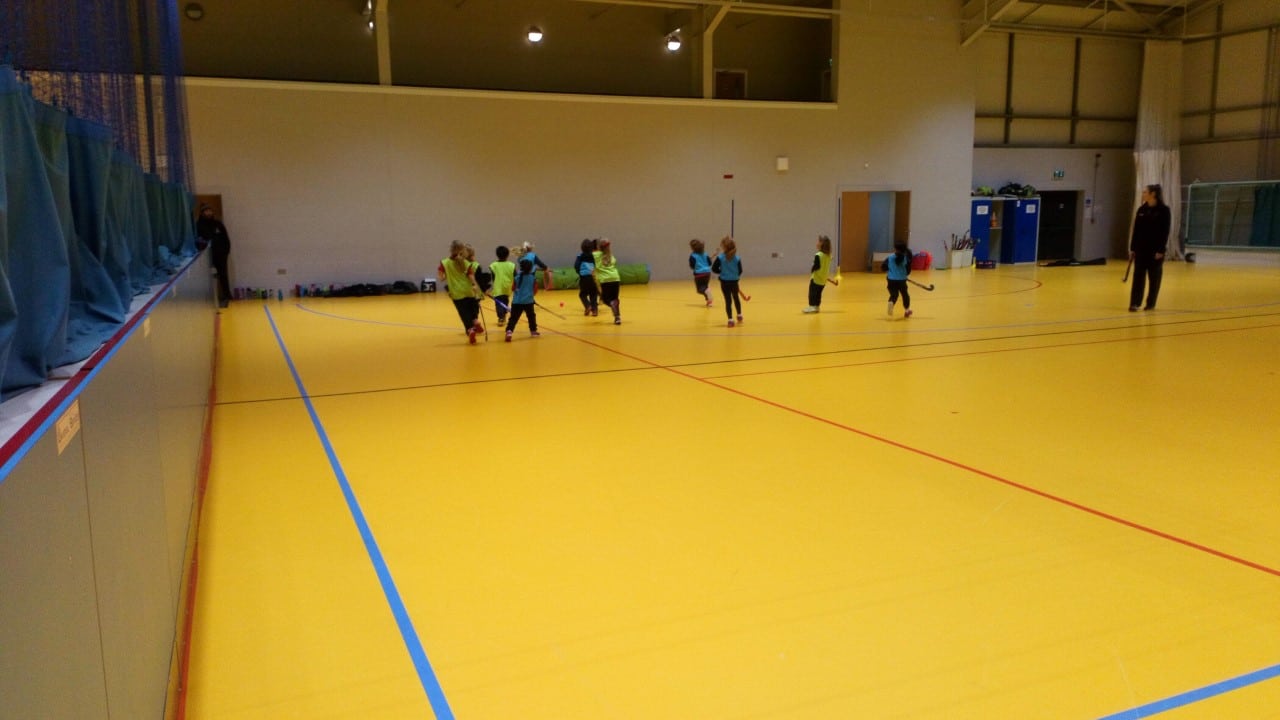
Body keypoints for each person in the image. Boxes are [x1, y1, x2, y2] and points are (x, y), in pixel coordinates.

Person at [1129, 183, 1171, 311]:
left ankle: (1151, 303)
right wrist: (1133, 248)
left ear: (1153, 194)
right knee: (1138, 277)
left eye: (1145, 192)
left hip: (1155, 250)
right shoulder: (1141, 210)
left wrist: (1161, 250)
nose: (1143, 194)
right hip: (1141, 249)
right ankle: (1135, 303)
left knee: (1154, 278)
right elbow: (1136, 230)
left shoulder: (1164, 210)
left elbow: (1165, 231)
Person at [437, 240, 484, 343]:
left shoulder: (444, 263)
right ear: (462, 250)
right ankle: (475, 321)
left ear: (450, 249)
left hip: (456, 292)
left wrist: (448, 275)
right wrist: (476, 287)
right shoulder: (466, 263)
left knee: (463, 312)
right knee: (472, 309)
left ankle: (470, 329)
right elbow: (471, 276)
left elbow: (441, 278)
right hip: (468, 290)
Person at [197, 205, 231, 308]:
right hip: (207, 256)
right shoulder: (199, 225)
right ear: (202, 213)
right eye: (206, 211)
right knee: (209, 277)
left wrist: (226, 251)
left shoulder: (218, 224)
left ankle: (227, 295)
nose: (208, 213)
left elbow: (226, 238)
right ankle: (210, 299)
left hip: (220, 254)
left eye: (209, 210)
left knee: (223, 274)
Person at [711, 235, 743, 327]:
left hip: (724, 282)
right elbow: (740, 270)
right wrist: (734, 275)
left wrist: (722, 272)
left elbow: (714, 269)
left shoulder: (720, 258)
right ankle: (739, 315)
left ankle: (730, 320)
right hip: (734, 282)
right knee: (736, 297)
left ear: (724, 247)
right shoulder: (737, 258)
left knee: (728, 300)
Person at [505, 258, 540, 341]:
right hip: (528, 302)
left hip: (517, 302)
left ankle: (509, 331)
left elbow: (513, 288)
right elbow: (535, 290)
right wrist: (530, 296)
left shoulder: (517, 277)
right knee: (531, 316)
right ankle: (533, 331)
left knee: (513, 318)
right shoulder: (533, 278)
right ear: (530, 268)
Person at [593, 239, 622, 324]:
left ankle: (612, 305)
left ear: (599, 247)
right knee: (615, 299)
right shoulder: (611, 256)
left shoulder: (596, 255)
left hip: (605, 280)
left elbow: (587, 255)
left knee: (605, 300)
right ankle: (617, 318)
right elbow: (614, 263)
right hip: (615, 278)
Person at [803, 235, 834, 313]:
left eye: (819, 242)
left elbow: (817, 266)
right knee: (818, 294)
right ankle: (817, 306)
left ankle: (812, 306)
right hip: (823, 280)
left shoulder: (818, 255)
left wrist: (812, 269)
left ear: (821, 245)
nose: (817, 243)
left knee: (812, 293)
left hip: (816, 279)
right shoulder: (828, 256)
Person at [883, 239, 913, 318]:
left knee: (894, 294)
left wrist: (889, 270)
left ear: (895, 248)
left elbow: (883, 267)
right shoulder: (906, 258)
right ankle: (907, 310)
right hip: (901, 280)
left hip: (891, 280)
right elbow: (908, 270)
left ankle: (891, 302)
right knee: (905, 294)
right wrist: (904, 275)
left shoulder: (890, 257)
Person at [574, 238, 599, 316]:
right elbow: (597, 265)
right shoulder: (594, 256)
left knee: (582, 294)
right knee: (593, 294)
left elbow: (576, 266)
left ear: (582, 248)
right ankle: (594, 310)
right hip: (593, 278)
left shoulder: (580, 256)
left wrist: (579, 272)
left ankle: (588, 306)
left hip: (584, 278)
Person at [688, 239, 713, 307]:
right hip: (707, 273)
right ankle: (709, 301)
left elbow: (692, 266)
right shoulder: (705, 254)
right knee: (705, 287)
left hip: (699, 274)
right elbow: (710, 263)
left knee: (700, 289)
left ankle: (708, 295)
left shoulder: (693, 256)